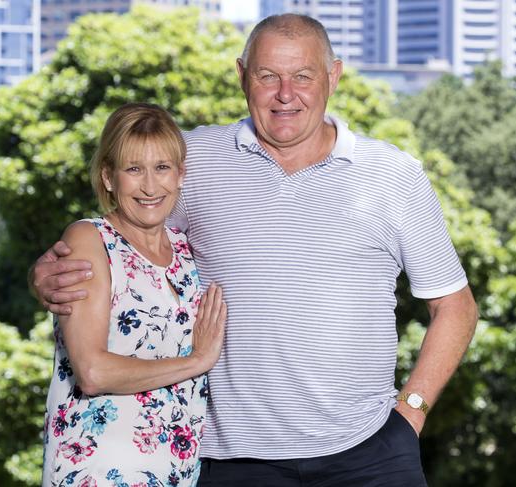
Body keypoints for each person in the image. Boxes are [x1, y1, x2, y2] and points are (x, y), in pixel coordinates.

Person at [33, 14, 478, 487]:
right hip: (230, 460)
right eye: (268, 76)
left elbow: (455, 306)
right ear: (242, 75)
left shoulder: (394, 175)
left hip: (369, 451)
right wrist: (47, 273)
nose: (286, 94)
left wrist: (410, 412)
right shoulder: (192, 160)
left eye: (303, 76)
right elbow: (121, 239)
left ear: (333, 76)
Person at [41, 102, 226, 487]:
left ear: (180, 175)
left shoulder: (186, 250)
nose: (149, 187)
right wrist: (198, 361)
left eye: (162, 168)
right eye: (133, 169)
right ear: (108, 177)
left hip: (177, 472)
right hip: (101, 470)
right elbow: (92, 373)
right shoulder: (89, 240)